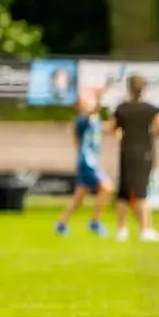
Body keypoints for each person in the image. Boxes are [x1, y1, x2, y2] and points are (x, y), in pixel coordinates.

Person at [106, 74, 159, 242]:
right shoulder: (150, 109)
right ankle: (145, 229)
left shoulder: (122, 108)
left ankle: (121, 229)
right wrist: (150, 132)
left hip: (126, 150)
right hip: (144, 152)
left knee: (124, 191)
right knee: (141, 191)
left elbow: (111, 127)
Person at [55, 89, 112, 237]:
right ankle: (95, 222)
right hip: (88, 162)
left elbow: (105, 126)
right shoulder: (82, 119)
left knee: (79, 195)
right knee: (107, 188)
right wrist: (100, 98)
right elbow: (94, 113)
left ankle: (61, 224)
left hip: (88, 161)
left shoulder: (93, 120)